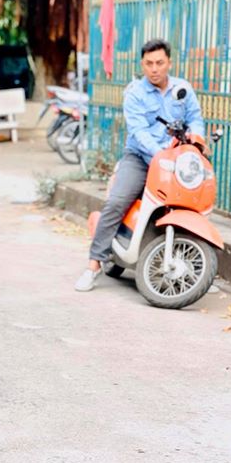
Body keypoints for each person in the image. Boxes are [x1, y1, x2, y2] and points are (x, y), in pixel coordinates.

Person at [75, 38, 204, 291]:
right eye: (149, 64)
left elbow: (195, 119)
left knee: (194, 201)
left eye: (159, 63)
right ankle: (93, 265)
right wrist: (160, 156)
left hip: (175, 160)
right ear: (142, 65)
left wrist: (197, 139)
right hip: (141, 158)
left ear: (169, 63)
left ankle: (194, 265)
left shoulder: (183, 89)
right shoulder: (135, 92)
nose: (154, 69)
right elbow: (139, 132)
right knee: (116, 202)